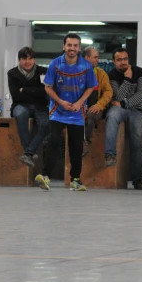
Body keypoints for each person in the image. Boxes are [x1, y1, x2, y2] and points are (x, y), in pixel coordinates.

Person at [36, 33, 98, 192]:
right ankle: (46, 176)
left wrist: (79, 103)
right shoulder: (55, 64)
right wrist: (61, 102)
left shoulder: (86, 66)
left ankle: (75, 180)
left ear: (79, 48)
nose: (72, 48)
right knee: (53, 142)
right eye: (69, 45)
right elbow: (47, 87)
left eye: (75, 46)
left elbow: (91, 87)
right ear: (64, 46)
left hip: (77, 113)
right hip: (58, 111)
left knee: (76, 147)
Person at [105, 48, 142, 190]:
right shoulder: (110, 75)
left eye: (125, 59)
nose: (123, 62)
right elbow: (117, 95)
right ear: (114, 61)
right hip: (120, 110)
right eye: (119, 60)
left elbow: (141, 94)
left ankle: (138, 179)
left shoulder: (139, 72)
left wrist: (124, 103)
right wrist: (128, 79)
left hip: (136, 110)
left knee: (137, 142)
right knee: (112, 115)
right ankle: (110, 154)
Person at [7, 47, 49, 168]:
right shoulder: (12, 73)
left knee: (46, 124)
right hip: (20, 105)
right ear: (19, 60)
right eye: (24, 58)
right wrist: (36, 93)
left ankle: (28, 153)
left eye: (30, 58)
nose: (27, 61)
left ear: (34, 60)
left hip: (40, 106)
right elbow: (16, 96)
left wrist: (25, 90)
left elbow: (45, 92)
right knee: (20, 115)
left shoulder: (43, 71)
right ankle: (30, 151)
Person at [82, 46, 113, 153]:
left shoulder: (101, 73)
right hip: (79, 106)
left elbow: (108, 92)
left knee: (89, 117)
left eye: (97, 57)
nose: (97, 60)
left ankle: (85, 143)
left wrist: (99, 105)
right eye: (95, 57)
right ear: (86, 58)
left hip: (97, 107)